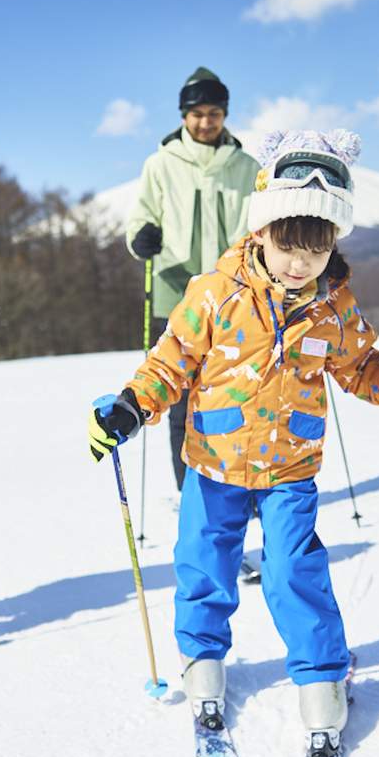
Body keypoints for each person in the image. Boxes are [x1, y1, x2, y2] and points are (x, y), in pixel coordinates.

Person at [90, 129, 379, 757]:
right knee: (204, 563)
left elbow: (360, 365)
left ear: (333, 244)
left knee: (292, 571)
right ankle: (202, 659)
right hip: (214, 463)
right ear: (260, 231)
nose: (299, 264)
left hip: (290, 467)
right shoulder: (214, 293)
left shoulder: (332, 306)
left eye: (316, 250)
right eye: (287, 246)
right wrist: (130, 405)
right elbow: (169, 363)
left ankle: (321, 676)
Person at [125, 67, 260, 490]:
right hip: (175, 290)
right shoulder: (161, 164)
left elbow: (262, 221)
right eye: (197, 113)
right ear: (184, 115)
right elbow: (141, 215)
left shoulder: (246, 166)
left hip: (234, 289)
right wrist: (141, 237)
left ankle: (238, 486)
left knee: (237, 392)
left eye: (214, 113)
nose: (205, 122)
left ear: (225, 115)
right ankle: (191, 492)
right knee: (180, 397)